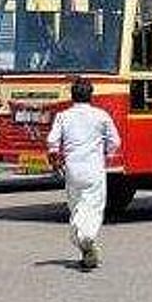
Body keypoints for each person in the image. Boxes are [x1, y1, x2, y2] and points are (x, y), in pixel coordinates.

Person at [46, 76, 122, 270]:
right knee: (93, 206)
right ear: (91, 95)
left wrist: (55, 162)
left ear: (72, 96)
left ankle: (82, 244)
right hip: (94, 168)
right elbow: (115, 141)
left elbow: (52, 143)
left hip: (72, 169)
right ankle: (86, 238)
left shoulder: (63, 116)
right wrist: (107, 154)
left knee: (76, 206)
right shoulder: (101, 115)